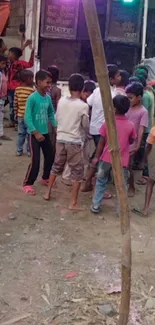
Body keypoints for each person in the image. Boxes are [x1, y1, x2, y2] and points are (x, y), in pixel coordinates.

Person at [43, 73, 89, 210]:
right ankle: (73, 203)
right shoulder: (83, 106)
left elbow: (57, 118)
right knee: (77, 172)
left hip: (60, 138)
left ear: (69, 87)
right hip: (74, 141)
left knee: (56, 165)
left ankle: (47, 192)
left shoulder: (62, 100)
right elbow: (85, 125)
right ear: (82, 89)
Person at [90, 95, 136, 213]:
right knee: (121, 185)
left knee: (101, 181)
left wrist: (96, 157)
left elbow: (101, 141)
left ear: (113, 108)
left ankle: (96, 205)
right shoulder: (130, 125)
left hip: (105, 158)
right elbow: (131, 140)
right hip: (122, 160)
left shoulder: (108, 123)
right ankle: (121, 209)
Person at [82, 64, 121, 193]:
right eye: (117, 75)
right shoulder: (113, 94)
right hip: (103, 129)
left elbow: (89, 103)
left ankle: (89, 179)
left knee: (98, 153)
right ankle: (88, 181)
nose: (119, 77)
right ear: (111, 79)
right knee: (100, 156)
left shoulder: (97, 90)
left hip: (94, 128)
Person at [23, 70, 57, 195]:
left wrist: (56, 126)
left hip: (45, 133)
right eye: (47, 82)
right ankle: (27, 183)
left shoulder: (47, 98)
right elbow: (27, 117)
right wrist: (35, 132)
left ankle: (45, 178)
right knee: (35, 161)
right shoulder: (32, 98)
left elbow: (51, 114)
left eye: (50, 82)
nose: (49, 85)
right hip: (34, 135)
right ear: (39, 82)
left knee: (50, 156)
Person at [62, 80, 96, 185]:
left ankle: (81, 175)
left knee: (83, 156)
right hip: (79, 134)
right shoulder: (83, 105)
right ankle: (67, 176)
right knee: (77, 156)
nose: (88, 97)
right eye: (87, 94)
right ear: (83, 91)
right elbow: (85, 123)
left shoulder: (71, 102)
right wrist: (89, 132)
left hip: (75, 133)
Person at [125, 82, 148, 196]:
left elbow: (141, 129)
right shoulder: (126, 107)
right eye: (127, 97)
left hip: (132, 143)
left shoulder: (143, 111)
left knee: (128, 166)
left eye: (130, 98)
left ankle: (131, 187)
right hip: (122, 140)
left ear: (138, 98)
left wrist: (138, 145)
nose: (128, 100)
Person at [7, 46, 34, 127]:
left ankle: (14, 121)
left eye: (9, 53)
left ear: (13, 55)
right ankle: (16, 121)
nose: (8, 55)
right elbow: (30, 64)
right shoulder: (18, 63)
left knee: (13, 105)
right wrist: (32, 55)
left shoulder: (10, 63)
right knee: (17, 105)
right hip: (16, 87)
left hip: (12, 88)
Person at [132, 126, 155, 217]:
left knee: (150, 183)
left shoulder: (153, 130)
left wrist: (143, 160)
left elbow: (148, 146)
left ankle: (145, 209)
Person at [14, 70, 34, 156]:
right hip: (29, 117)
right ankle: (29, 151)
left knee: (20, 133)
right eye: (32, 78)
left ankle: (19, 150)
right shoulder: (32, 91)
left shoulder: (17, 90)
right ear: (29, 79)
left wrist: (16, 113)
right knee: (29, 134)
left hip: (20, 116)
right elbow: (33, 105)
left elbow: (15, 103)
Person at [0, 55, 11, 143]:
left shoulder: (3, 72)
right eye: (2, 63)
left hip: (2, 98)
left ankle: (1, 134)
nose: (4, 65)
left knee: (1, 117)